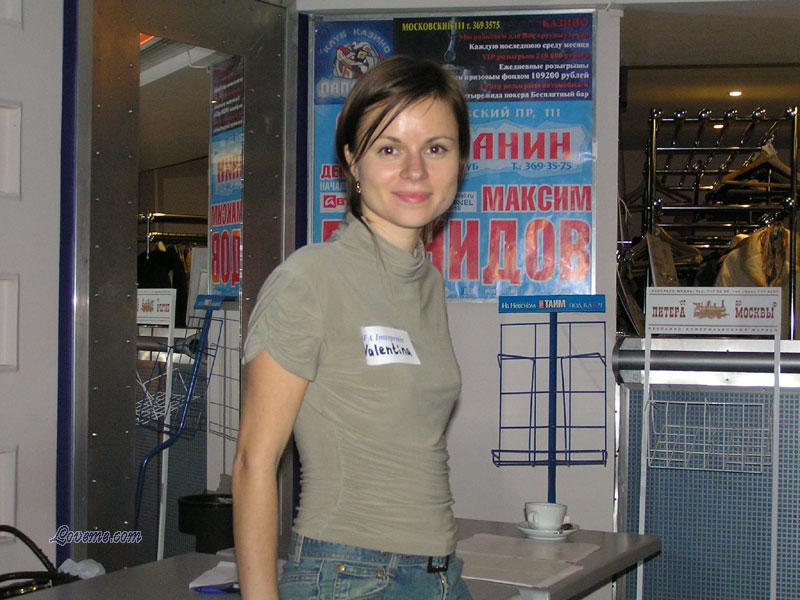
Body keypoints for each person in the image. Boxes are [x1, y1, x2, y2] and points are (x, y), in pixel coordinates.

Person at [232, 55, 473, 600]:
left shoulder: (427, 284)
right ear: (352, 162)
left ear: (460, 161)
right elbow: (253, 463)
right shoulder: (310, 279)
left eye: (436, 148)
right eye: (389, 149)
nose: (415, 170)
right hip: (351, 576)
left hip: (438, 574)